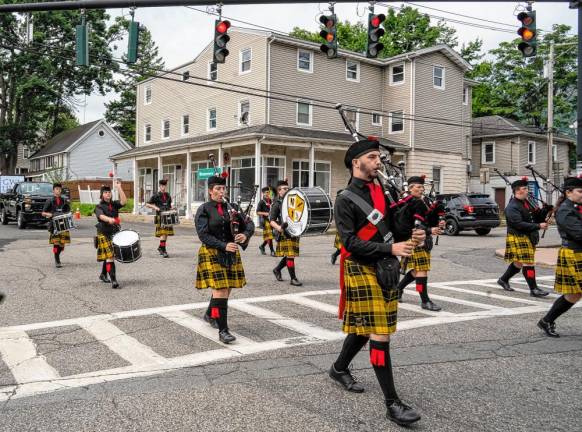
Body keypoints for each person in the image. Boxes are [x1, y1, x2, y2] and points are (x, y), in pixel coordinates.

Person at [330, 139, 425, 426]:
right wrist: (390, 249)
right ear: (356, 162)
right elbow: (350, 242)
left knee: (366, 329)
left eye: (378, 157)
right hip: (359, 266)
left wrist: (410, 234)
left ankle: (338, 368)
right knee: (380, 331)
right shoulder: (345, 199)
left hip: (383, 265)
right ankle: (392, 403)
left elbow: (392, 228)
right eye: (372, 157)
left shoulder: (381, 192)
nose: (378, 162)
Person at [196, 175, 255, 343]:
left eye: (223, 189)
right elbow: (203, 234)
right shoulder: (204, 209)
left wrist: (245, 234)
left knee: (226, 290)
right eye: (218, 189)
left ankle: (210, 314)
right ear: (210, 191)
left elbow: (249, 224)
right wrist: (223, 245)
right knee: (221, 290)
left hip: (231, 252)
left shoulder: (233, 207)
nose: (222, 192)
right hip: (212, 252)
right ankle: (223, 331)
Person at [538, 177, 582, 337]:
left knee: (575, 294)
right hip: (574, 253)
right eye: (580, 191)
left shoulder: (574, 207)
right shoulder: (565, 210)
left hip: (577, 252)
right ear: (568, 192)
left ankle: (547, 320)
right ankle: (547, 320)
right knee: (575, 293)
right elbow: (579, 233)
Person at [395, 176, 445, 311]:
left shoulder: (424, 201)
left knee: (416, 271)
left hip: (424, 240)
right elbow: (407, 225)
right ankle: (424, 300)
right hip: (413, 240)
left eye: (422, 187)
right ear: (410, 188)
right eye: (418, 187)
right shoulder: (406, 203)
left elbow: (427, 220)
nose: (422, 189)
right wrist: (429, 230)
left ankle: (398, 290)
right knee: (422, 271)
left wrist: (438, 223)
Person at [497, 177, 549, 297]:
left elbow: (535, 217)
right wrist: (538, 226)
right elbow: (518, 224)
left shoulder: (527, 202)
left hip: (528, 236)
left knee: (519, 263)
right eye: (525, 188)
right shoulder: (512, 207)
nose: (527, 191)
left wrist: (545, 211)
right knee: (528, 262)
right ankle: (534, 289)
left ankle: (503, 280)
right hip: (518, 236)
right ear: (518, 191)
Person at [95, 182, 127, 289]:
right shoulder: (99, 206)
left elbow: (124, 201)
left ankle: (103, 274)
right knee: (110, 256)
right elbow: (101, 216)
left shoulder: (114, 204)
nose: (108, 194)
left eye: (109, 192)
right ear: (102, 195)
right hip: (104, 233)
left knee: (109, 256)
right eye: (105, 192)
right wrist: (109, 219)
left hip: (114, 233)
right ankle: (114, 280)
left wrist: (119, 188)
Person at [270, 180, 302, 286]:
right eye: (284, 188)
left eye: (288, 188)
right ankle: (293, 278)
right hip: (284, 232)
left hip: (294, 231)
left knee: (290, 255)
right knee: (290, 255)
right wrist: (279, 228)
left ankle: (277, 269)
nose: (287, 190)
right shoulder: (277, 204)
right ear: (279, 191)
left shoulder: (292, 202)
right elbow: (272, 220)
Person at [42, 183, 71, 268]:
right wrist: (50, 214)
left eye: (59, 189)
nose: (58, 190)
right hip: (54, 225)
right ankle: (57, 259)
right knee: (56, 243)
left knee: (62, 246)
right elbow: (43, 213)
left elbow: (68, 211)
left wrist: (69, 214)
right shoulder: (49, 201)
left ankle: (57, 254)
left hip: (63, 225)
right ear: (53, 190)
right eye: (57, 189)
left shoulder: (64, 200)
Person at [146, 179, 174, 258]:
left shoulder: (168, 195)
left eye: (164, 186)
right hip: (160, 216)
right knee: (163, 233)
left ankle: (161, 247)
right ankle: (163, 249)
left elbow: (169, 205)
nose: (163, 187)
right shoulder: (156, 195)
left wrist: (172, 208)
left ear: (166, 186)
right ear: (159, 186)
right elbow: (147, 204)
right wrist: (155, 207)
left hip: (168, 216)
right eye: (162, 186)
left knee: (166, 234)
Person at [256, 187, 275, 256]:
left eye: (268, 192)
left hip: (272, 220)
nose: (267, 194)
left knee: (269, 236)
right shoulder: (261, 202)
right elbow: (257, 212)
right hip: (265, 221)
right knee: (269, 236)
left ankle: (262, 246)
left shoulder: (271, 201)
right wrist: (265, 213)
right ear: (263, 194)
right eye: (266, 193)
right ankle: (272, 251)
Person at [331, 189, 344, 265]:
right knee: (343, 246)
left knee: (343, 246)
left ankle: (334, 255)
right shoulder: (338, 204)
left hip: (345, 226)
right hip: (342, 227)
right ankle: (335, 255)